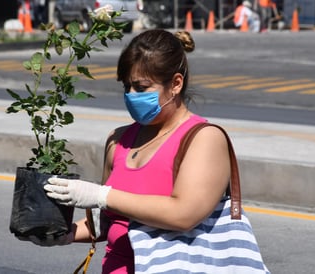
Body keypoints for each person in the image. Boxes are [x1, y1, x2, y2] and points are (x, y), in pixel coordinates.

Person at [24, 29, 231, 273]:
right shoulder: (119, 139)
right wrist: (64, 234)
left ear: (176, 84)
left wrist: (101, 195)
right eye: (126, 87)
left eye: (141, 87)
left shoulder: (204, 138)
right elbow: (110, 219)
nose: (131, 95)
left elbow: (184, 215)